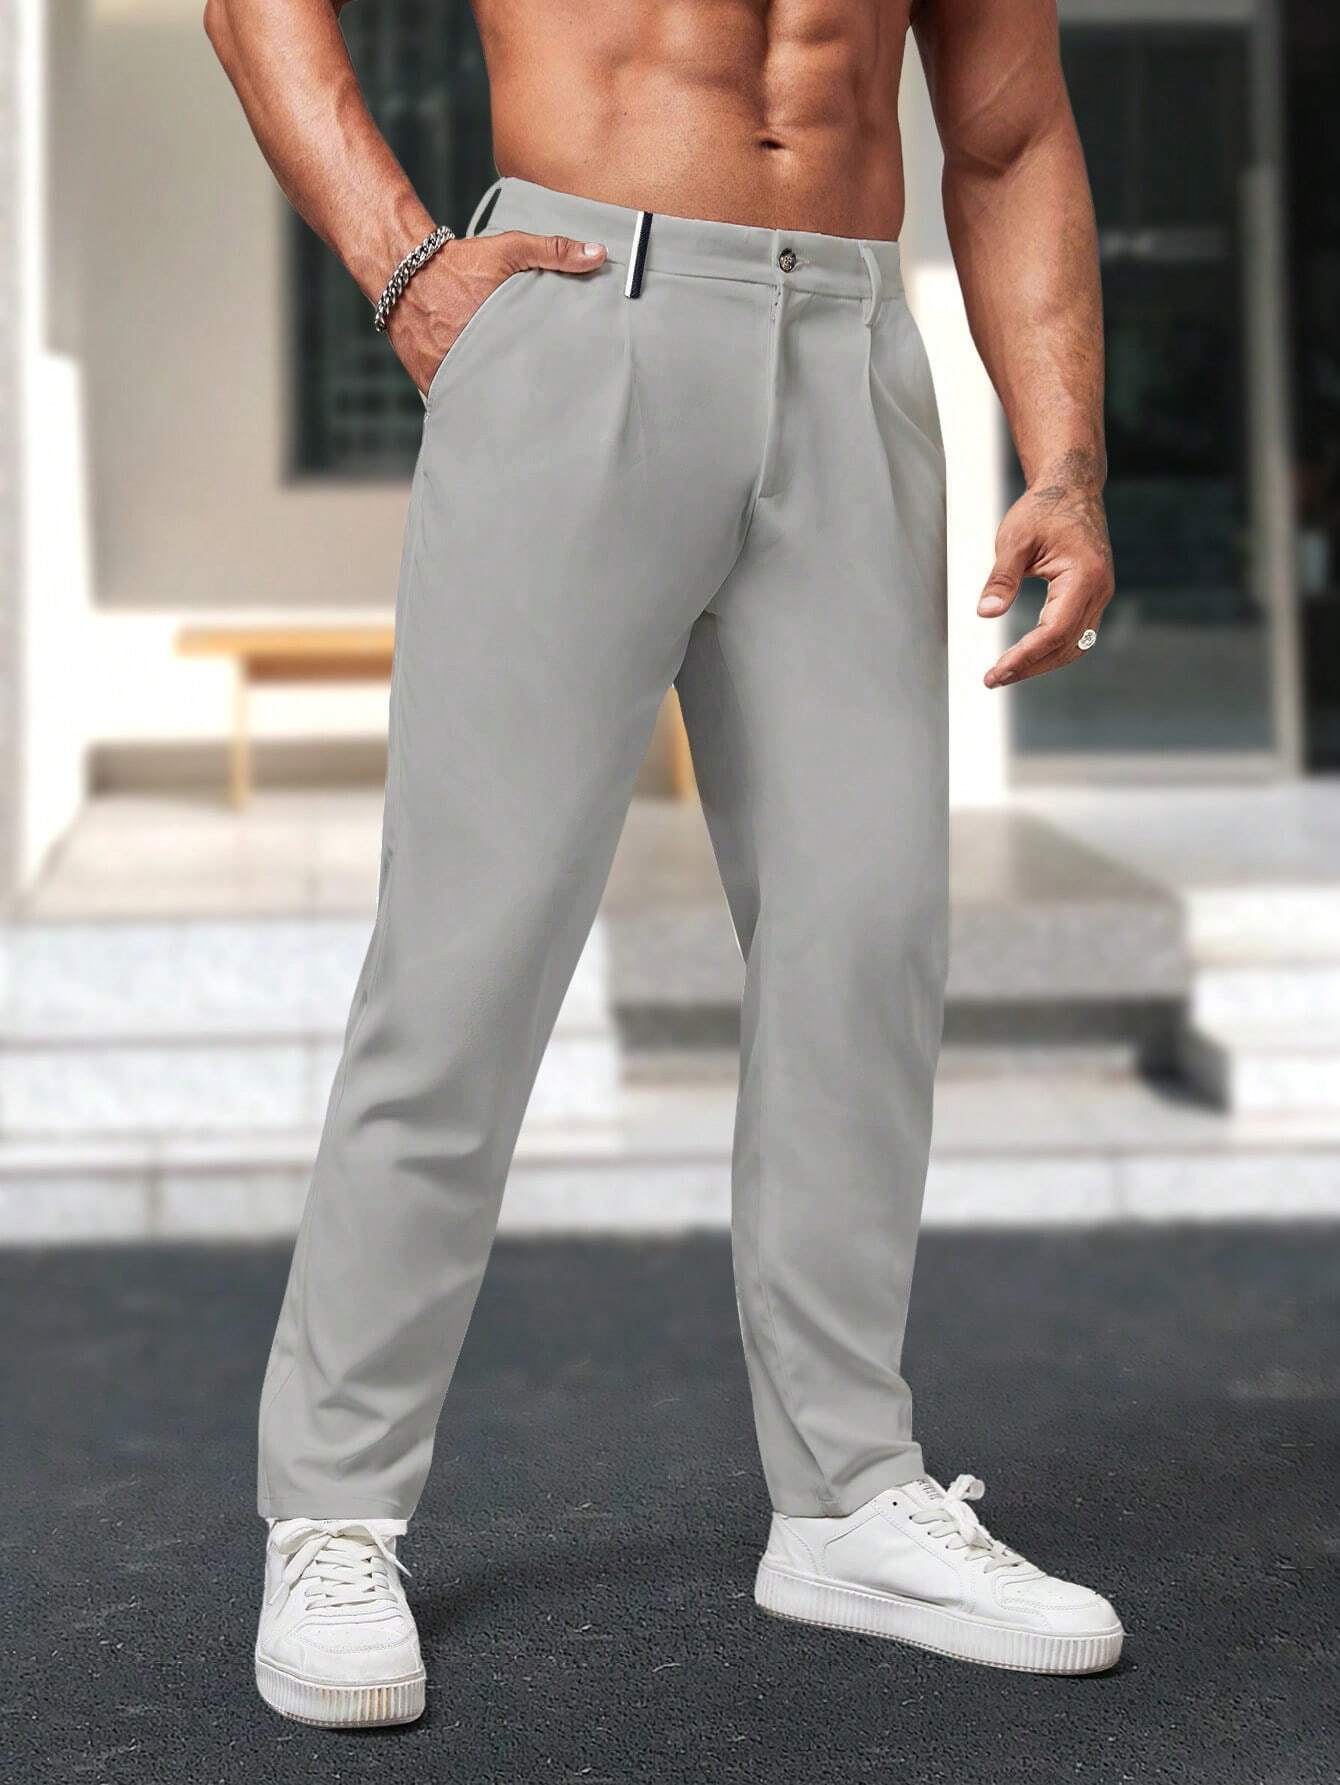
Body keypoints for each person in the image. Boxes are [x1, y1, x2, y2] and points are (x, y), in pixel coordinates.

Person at [205, 0, 1120, 1727]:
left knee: (866, 937)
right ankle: (331, 1508)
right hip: (577, 314)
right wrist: (403, 266)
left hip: (851, 345)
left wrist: (1064, 461)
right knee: (471, 953)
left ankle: (846, 1494)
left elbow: (1007, 135)